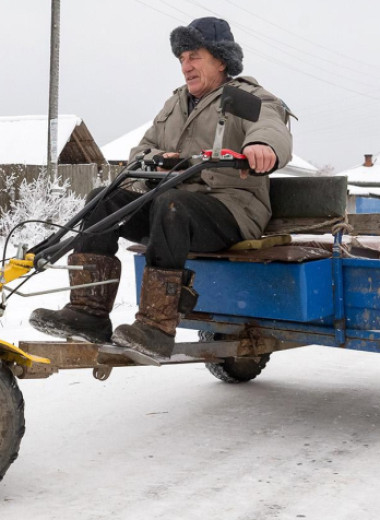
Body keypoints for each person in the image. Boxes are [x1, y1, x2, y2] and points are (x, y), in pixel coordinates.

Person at [30, 17, 294, 359]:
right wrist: (157, 158)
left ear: (221, 59)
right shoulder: (174, 104)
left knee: (173, 204)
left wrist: (263, 147)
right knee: (102, 200)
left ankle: (156, 327)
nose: (185, 66)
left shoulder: (248, 96)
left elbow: (272, 126)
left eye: (194, 56)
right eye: (182, 58)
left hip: (231, 208)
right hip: (172, 207)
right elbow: (141, 150)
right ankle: (88, 313)